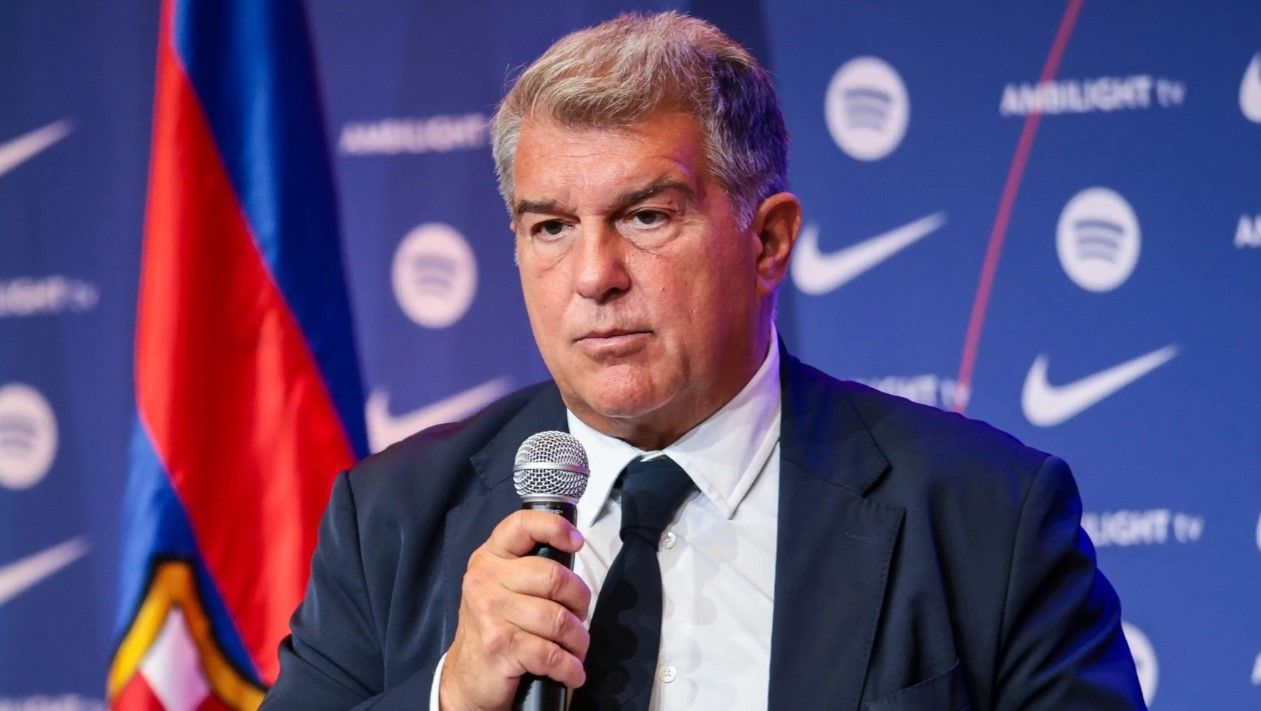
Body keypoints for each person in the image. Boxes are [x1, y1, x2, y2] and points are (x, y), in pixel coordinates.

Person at [263, 11, 1144, 710]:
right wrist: (450, 698)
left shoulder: (983, 514)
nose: (594, 276)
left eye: (646, 216)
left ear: (768, 241)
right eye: (551, 227)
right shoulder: (392, 519)